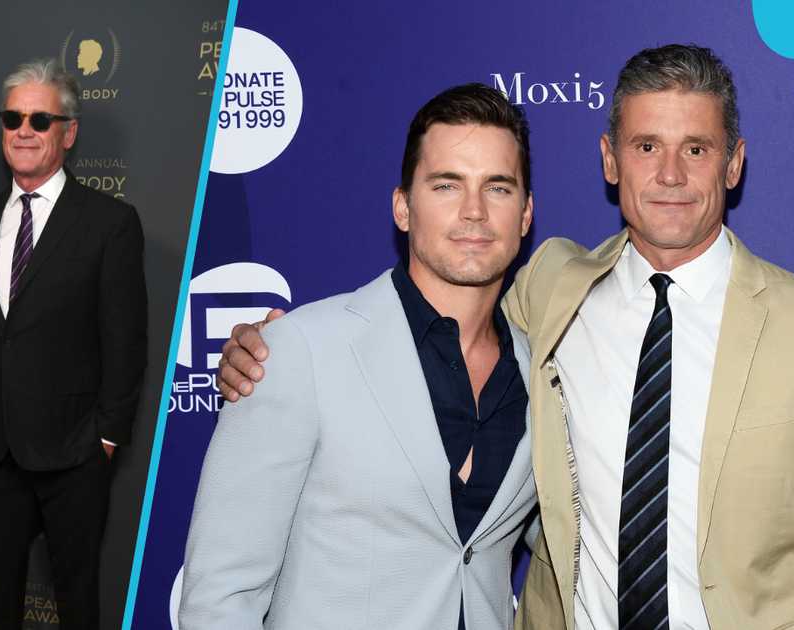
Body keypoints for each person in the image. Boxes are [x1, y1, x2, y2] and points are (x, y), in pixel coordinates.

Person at [218, 45, 794, 629]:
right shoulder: (551, 287)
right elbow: (433, 298)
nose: (670, 175)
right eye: (646, 147)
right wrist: (270, 347)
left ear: (734, 162)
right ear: (611, 160)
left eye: (696, 148)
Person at [179, 84, 538, 630]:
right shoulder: (299, 351)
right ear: (403, 207)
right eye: (446, 185)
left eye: (498, 187)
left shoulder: (543, 373)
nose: (474, 211)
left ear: (526, 213)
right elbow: (221, 593)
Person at [0, 58, 147, 630]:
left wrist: (106, 440)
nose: (24, 130)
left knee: (78, 604)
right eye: (13, 117)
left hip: (74, 456)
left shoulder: (110, 222)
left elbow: (126, 342)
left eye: (40, 119)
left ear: (69, 131)